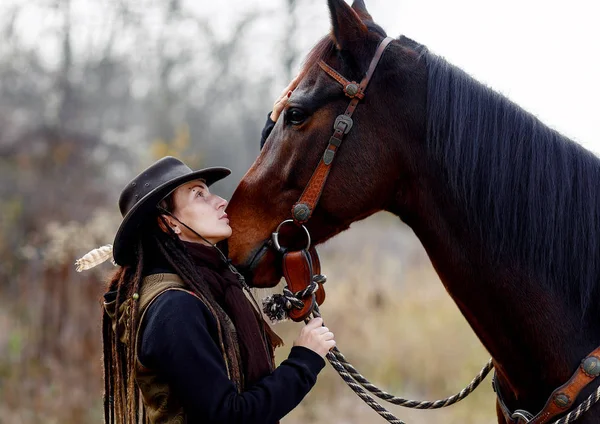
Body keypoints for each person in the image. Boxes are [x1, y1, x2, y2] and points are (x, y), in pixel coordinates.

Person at [77, 76, 336, 424]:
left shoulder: (208, 279)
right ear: (168, 222)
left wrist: (276, 131)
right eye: (199, 195)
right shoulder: (175, 309)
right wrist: (303, 360)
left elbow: (260, 218)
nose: (220, 201)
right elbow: (229, 416)